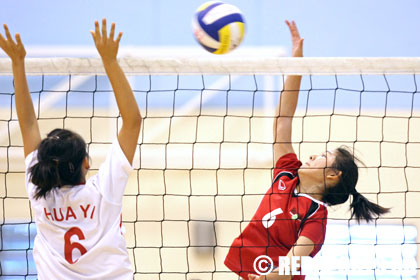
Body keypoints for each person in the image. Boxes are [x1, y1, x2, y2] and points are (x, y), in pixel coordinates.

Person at [224, 20, 390, 280]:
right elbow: (283, 120)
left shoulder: (316, 217)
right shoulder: (286, 175)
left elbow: (294, 263)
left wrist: (270, 278)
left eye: (322, 157)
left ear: (333, 175)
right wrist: (296, 63)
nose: (312, 156)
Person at [0, 19, 141, 279]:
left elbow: (28, 123)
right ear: (86, 162)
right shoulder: (103, 192)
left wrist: (17, 64)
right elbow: (132, 121)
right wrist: (109, 60)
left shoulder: (40, 195)